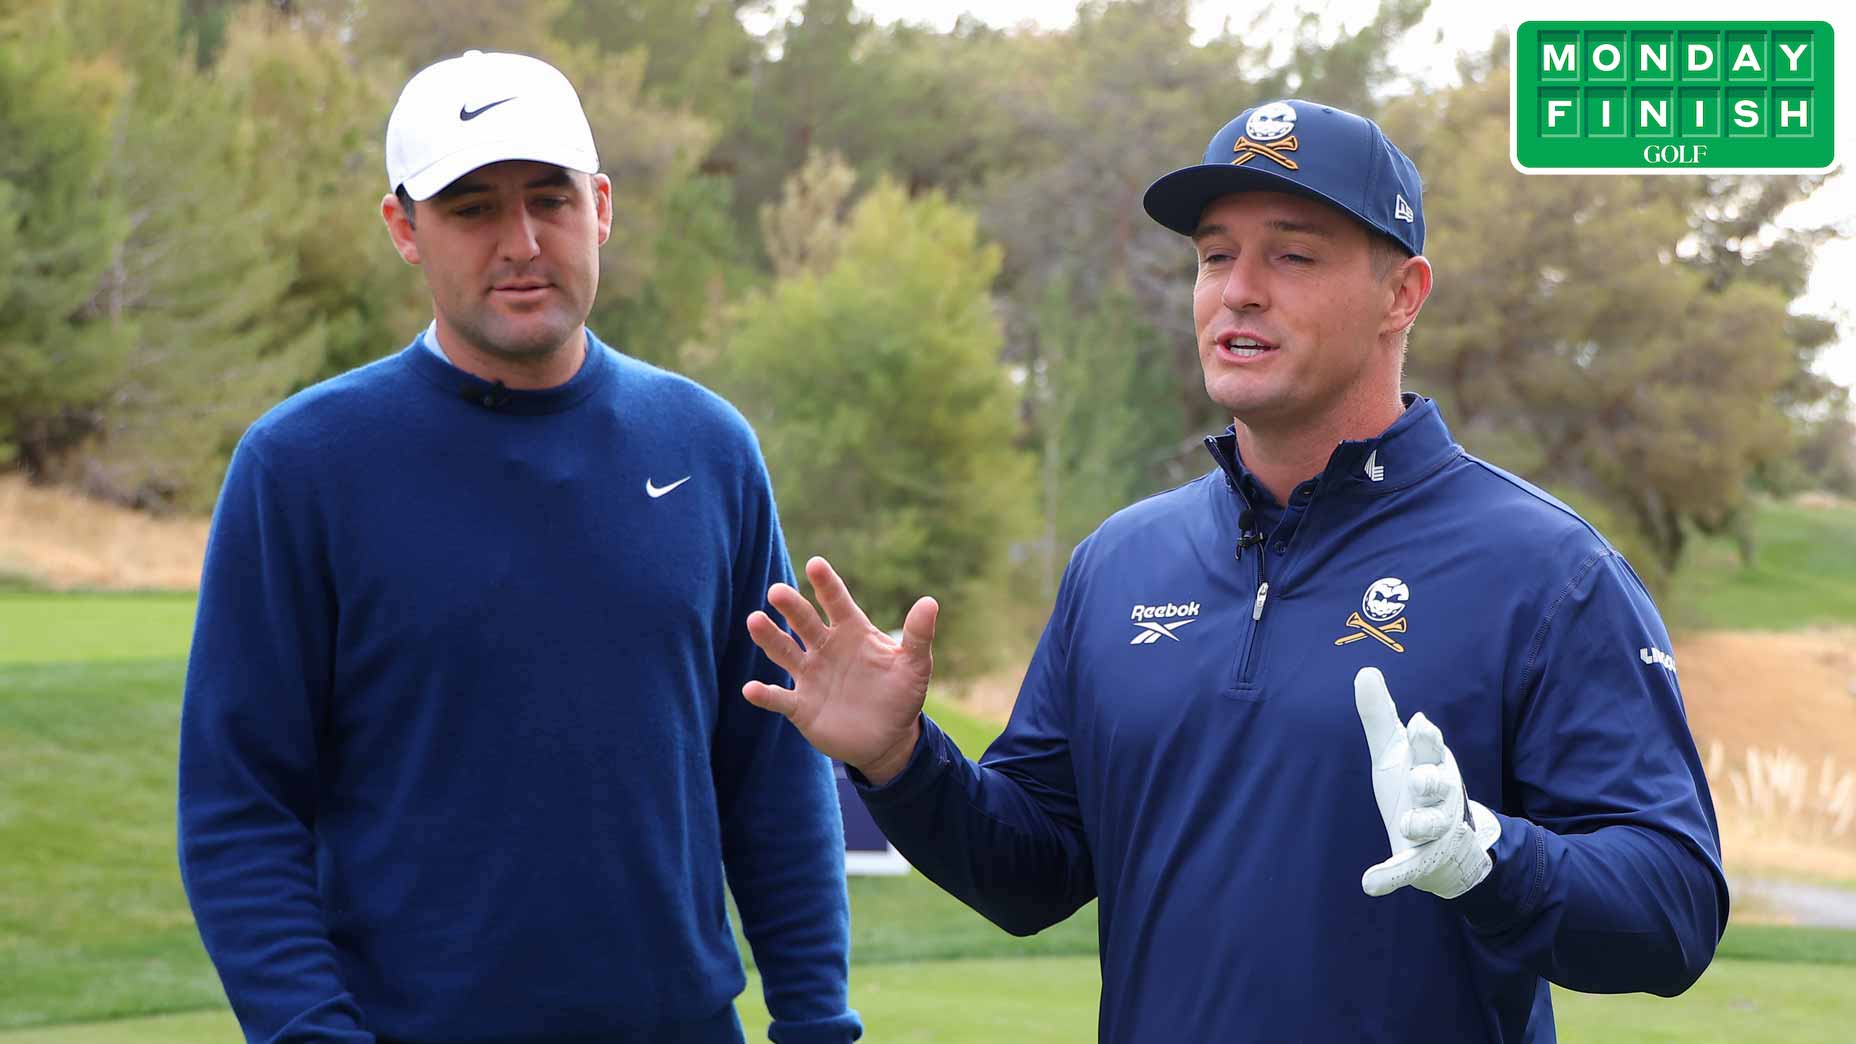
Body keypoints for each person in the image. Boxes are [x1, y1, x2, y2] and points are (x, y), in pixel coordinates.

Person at [740, 99, 1726, 1042]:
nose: (1236, 289)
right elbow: (1029, 872)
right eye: (1215, 256)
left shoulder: (1546, 572)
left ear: (1401, 293)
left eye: (1290, 255)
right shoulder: (1118, 563)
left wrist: (1487, 856)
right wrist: (900, 761)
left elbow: (1673, 907)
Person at [178, 50, 861, 1044]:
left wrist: (813, 1023)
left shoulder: (707, 448)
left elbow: (770, 777)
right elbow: (239, 808)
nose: (521, 242)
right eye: (471, 209)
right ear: (403, 228)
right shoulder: (302, 467)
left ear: (602, 208)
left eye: (550, 199)